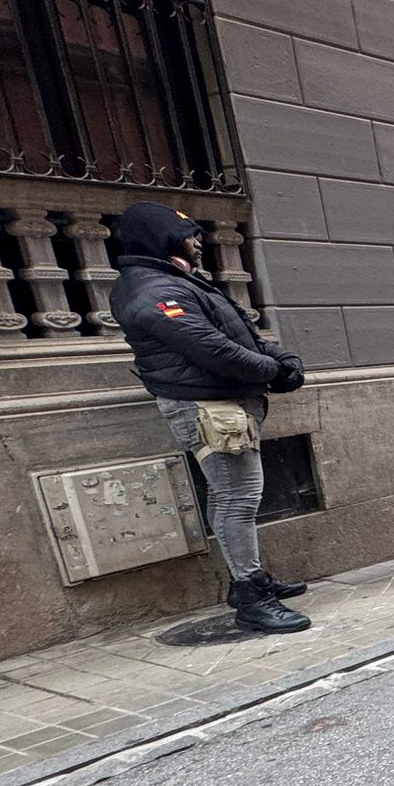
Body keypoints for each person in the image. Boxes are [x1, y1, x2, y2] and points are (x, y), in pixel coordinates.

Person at [109, 202, 312, 635]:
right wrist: (275, 373)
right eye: (188, 234)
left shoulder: (178, 281)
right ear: (163, 239)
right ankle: (251, 598)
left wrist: (283, 360)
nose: (198, 241)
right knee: (238, 497)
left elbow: (242, 331)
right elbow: (213, 350)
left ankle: (250, 581)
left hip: (223, 403)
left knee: (230, 495)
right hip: (206, 407)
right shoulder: (152, 290)